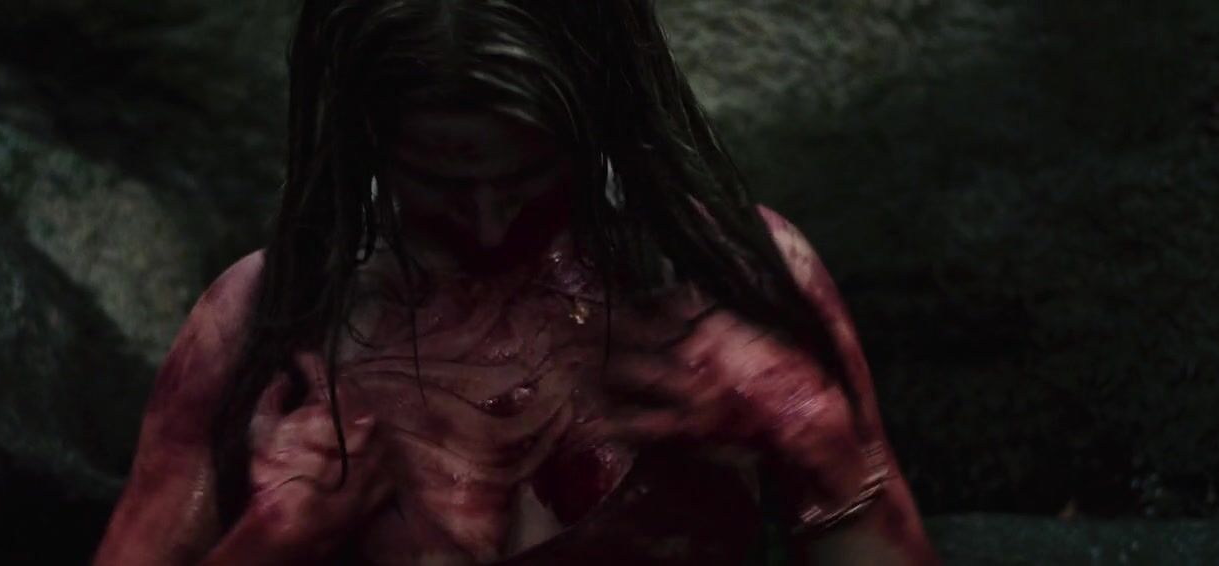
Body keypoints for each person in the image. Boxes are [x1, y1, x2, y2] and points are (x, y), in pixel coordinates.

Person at [93, 1, 940, 564]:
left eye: (533, 177)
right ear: (367, 140)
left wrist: (821, 447)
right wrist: (271, 545)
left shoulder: (731, 278)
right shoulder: (265, 322)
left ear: (601, 120)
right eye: (439, 183)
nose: (491, 224)